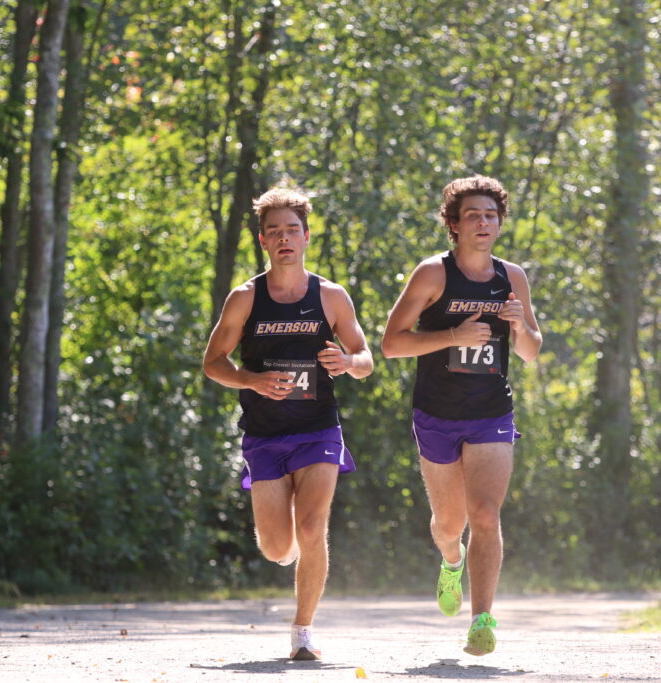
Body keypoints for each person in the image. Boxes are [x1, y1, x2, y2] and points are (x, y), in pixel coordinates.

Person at [202, 185, 373, 661]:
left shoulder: (331, 297)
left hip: (319, 428)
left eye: (292, 230)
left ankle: (303, 631)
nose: (284, 239)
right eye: (274, 231)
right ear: (262, 240)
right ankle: (292, 552)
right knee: (279, 547)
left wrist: (347, 361)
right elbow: (213, 362)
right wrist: (252, 380)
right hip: (265, 435)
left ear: (306, 236)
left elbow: (365, 358)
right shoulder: (245, 299)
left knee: (314, 525)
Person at [381, 175, 542, 656]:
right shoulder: (433, 274)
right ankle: (452, 562)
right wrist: (452, 337)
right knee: (449, 524)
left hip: (491, 411)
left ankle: (482, 620)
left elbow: (532, 350)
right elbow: (391, 344)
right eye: (473, 215)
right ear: (453, 224)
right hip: (436, 413)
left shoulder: (511, 276)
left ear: (500, 224)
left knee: (486, 514)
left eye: (491, 215)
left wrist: (518, 325)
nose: (483, 223)